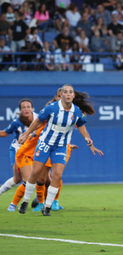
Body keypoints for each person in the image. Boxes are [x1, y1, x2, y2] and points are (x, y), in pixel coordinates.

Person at [18, 84, 96, 216]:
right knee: (36, 172)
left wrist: (87, 138)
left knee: (57, 175)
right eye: (65, 92)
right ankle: (25, 201)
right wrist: (26, 134)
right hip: (45, 143)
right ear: (62, 95)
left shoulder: (76, 111)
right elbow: (37, 121)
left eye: (71, 92)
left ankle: (47, 206)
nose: (68, 94)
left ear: (73, 95)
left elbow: (81, 126)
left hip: (61, 146)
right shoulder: (52, 108)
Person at [0, 99, 37, 196]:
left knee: (43, 176)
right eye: (23, 107)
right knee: (18, 179)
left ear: (32, 108)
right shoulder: (16, 122)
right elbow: (4, 133)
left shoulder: (38, 119)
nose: (26, 109)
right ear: (20, 110)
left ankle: (41, 200)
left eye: (28, 107)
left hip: (34, 150)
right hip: (18, 150)